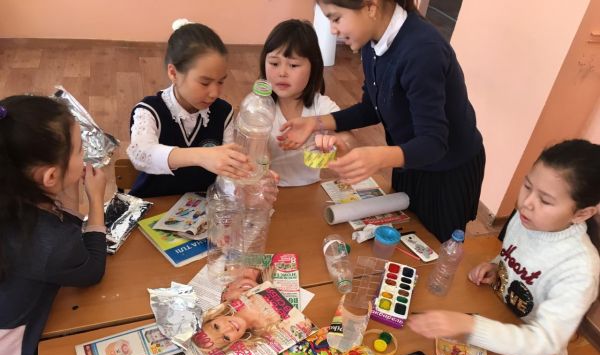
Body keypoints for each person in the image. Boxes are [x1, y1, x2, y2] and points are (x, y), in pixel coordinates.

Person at [278, 0, 485, 242]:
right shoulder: (372, 43)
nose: (333, 30)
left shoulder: (422, 51)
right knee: (405, 231)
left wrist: (377, 157)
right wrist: (316, 123)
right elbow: (372, 107)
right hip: (411, 158)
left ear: (371, 7)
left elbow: (434, 143)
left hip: (447, 171)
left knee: (437, 246)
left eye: (336, 18)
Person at [408, 140, 600, 355]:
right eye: (527, 186)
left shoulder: (580, 270)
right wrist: (497, 266)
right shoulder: (526, 219)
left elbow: (545, 342)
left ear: (581, 214)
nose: (527, 203)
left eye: (545, 201)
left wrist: (470, 325)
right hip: (498, 317)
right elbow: (518, 255)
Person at [0, 96, 107, 355]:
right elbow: (92, 268)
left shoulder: (12, 201)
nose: (84, 155)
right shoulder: (47, 243)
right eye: (79, 150)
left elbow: (60, 225)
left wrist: (65, 185)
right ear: (49, 177)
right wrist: (96, 200)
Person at [127, 20, 253, 197]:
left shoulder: (223, 113)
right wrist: (202, 156)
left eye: (220, 82)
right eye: (205, 83)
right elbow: (141, 154)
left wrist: (247, 185)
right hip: (153, 203)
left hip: (202, 206)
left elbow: (227, 176)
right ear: (173, 73)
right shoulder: (149, 110)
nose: (215, 93)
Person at [260, 19, 354, 186]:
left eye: (293, 65)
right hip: (268, 191)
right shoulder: (258, 108)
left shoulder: (322, 106)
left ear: (313, 68)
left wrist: (339, 142)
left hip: (310, 189)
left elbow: (349, 139)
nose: (282, 73)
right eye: (274, 63)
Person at [192, 294, 282, 352]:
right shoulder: (270, 328)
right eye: (226, 338)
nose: (229, 328)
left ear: (216, 317)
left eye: (216, 327)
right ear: (235, 342)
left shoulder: (235, 295)